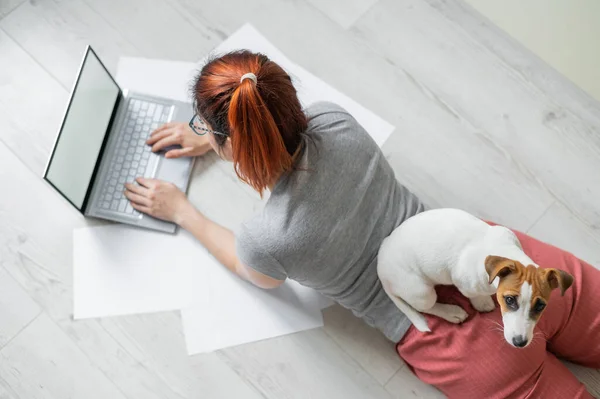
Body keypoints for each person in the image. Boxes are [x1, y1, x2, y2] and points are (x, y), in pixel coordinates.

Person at [124, 50, 600, 399]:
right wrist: (221, 135)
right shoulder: (336, 121)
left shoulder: (265, 239)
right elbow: (287, 127)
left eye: (208, 128)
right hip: (505, 267)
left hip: (449, 339)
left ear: (234, 144)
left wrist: (183, 211)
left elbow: (257, 277)